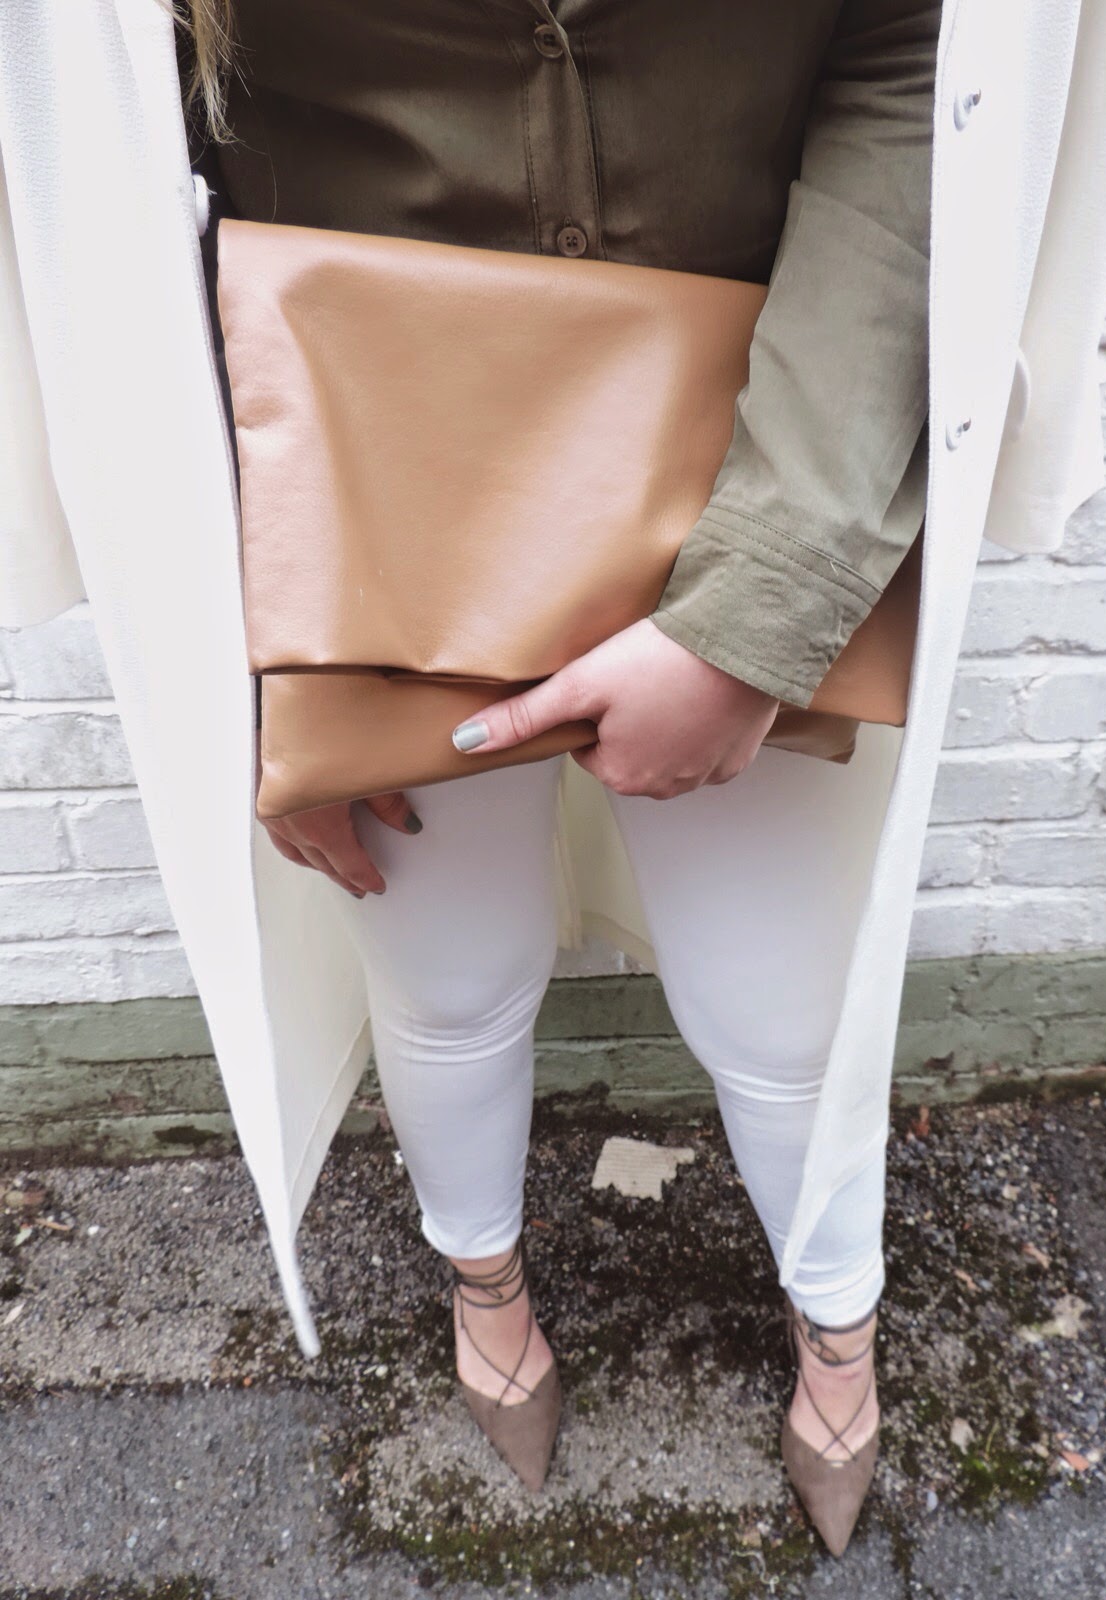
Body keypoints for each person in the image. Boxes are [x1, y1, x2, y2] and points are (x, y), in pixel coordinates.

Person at [178, 0, 941, 1558]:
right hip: (364, 495)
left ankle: (840, 1322)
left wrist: (760, 613)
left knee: (786, 1012)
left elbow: (916, 63)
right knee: (449, 978)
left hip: (753, 441)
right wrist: (238, 662)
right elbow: (117, 195)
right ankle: (486, 1283)